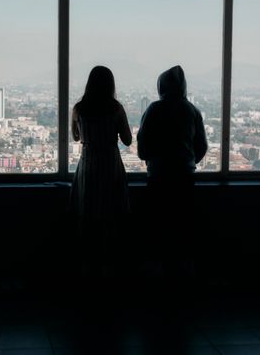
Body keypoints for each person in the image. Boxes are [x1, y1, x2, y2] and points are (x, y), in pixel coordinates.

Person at [137, 65, 208, 277]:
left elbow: (142, 146)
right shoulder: (192, 111)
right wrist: (188, 161)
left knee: (158, 226)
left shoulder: (154, 109)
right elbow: (202, 146)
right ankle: (183, 274)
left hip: (158, 176)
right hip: (185, 177)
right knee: (183, 226)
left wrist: (151, 159)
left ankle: (158, 273)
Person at [71, 66, 132, 276]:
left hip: (88, 164)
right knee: (111, 215)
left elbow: (76, 137)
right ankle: (109, 268)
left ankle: (87, 268)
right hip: (110, 164)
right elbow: (127, 140)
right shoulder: (116, 109)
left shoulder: (79, 109)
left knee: (87, 216)